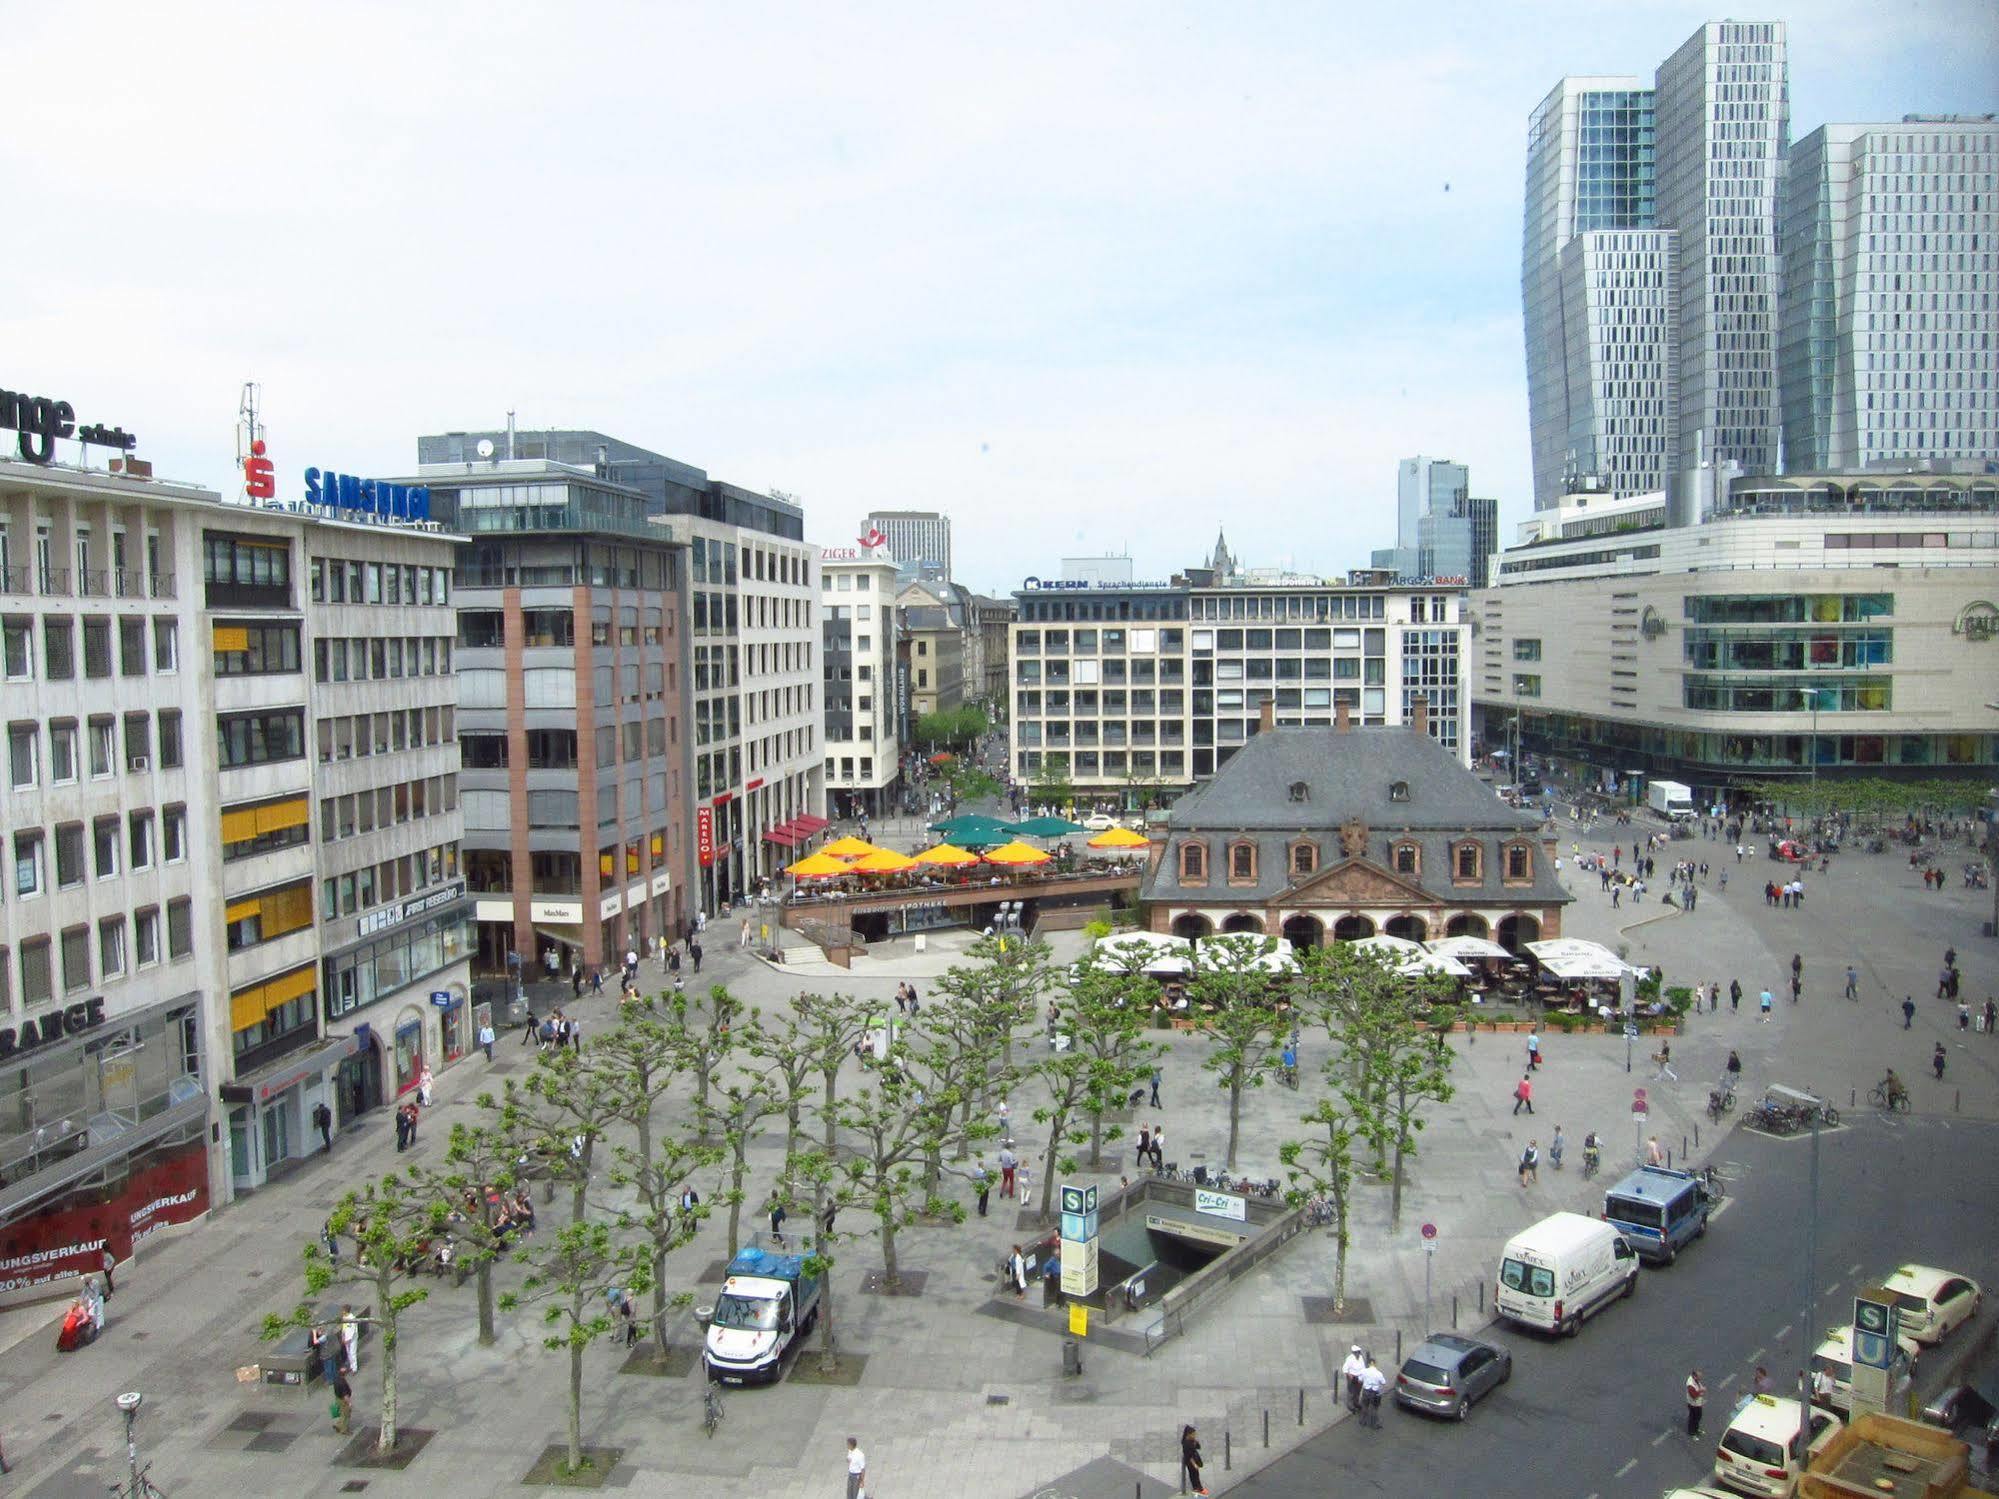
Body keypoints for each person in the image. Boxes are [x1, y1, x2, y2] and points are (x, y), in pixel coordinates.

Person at [1181, 1424, 1209, 1496]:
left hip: (1193, 1458)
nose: (1194, 1436)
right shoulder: (1186, 1444)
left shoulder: (1191, 1440)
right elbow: (1189, 1456)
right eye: (1193, 1434)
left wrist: (1196, 1442)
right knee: (1194, 1474)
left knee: (1195, 1474)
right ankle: (1198, 1489)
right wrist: (1194, 1464)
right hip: (1190, 1461)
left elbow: (1198, 1447)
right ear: (1188, 1434)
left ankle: (1197, 1488)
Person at [1361, 1355, 1387, 1429]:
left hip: (1366, 1391)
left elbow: (1360, 1379)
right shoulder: (1379, 1373)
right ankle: (1374, 1424)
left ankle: (1363, 1421)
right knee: (1374, 1408)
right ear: (1375, 1364)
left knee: (1365, 1406)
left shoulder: (1364, 1371)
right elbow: (1384, 1382)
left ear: (1368, 1364)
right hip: (1375, 1393)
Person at [1341, 1344, 1366, 1412]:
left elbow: (1363, 1367)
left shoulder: (1361, 1357)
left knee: (1358, 1391)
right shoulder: (1350, 1359)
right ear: (1354, 1353)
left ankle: (1356, 1403)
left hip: (1360, 1377)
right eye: (1357, 1352)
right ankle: (1350, 1405)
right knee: (1351, 1392)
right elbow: (1344, 1369)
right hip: (1352, 1377)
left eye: (1359, 1352)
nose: (1358, 1353)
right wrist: (1350, 1376)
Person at [1685, 1369, 1707, 1437]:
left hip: (1697, 1403)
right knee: (1693, 1418)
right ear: (1694, 1376)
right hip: (1693, 1404)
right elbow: (1693, 1396)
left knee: (1698, 1417)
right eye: (1699, 1377)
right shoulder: (1690, 1385)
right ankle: (1692, 1432)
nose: (1700, 1378)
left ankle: (1696, 1429)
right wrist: (1701, 1390)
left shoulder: (1695, 1380)